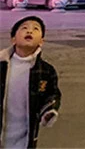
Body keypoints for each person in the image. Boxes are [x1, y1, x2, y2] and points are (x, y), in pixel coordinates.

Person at [0, 16, 61, 148]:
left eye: (35, 29)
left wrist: (49, 111)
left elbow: (52, 94)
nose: (29, 31)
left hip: (25, 138)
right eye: (24, 28)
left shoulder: (46, 71)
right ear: (13, 39)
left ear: (41, 41)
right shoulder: (2, 65)